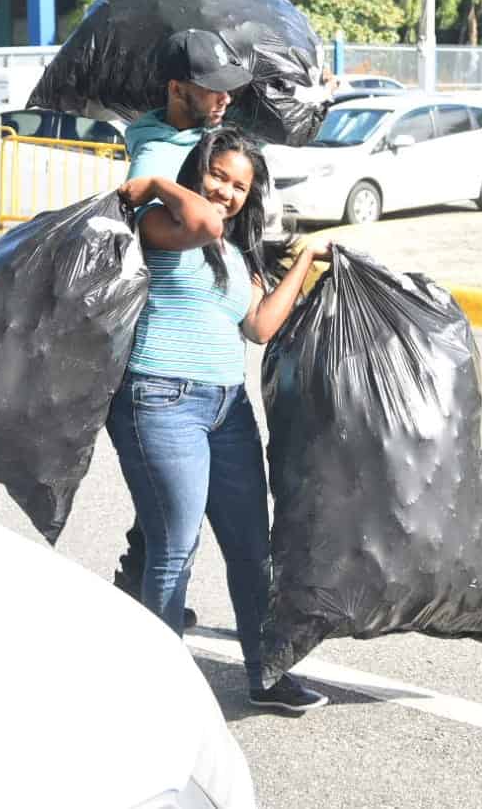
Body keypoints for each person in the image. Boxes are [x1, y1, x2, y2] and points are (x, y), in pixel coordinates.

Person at [108, 127, 329, 713]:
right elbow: (203, 221)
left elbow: (258, 327)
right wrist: (156, 181)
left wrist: (303, 260)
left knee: (252, 545)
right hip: (159, 399)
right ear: (197, 169)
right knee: (175, 546)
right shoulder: (162, 223)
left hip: (227, 409)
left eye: (241, 186)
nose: (228, 193)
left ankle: (268, 673)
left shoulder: (236, 251)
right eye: (220, 177)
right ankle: (161, 686)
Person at [112, 29, 252, 625]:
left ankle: (139, 594)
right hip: (164, 373)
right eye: (211, 88)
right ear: (177, 88)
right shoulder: (157, 153)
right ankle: (149, 621)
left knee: (177, 528)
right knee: (176, 541)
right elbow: (191, 225)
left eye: (229, 90)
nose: (223, 100)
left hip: (211, 377)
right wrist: (160, 187)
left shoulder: (184, 135)